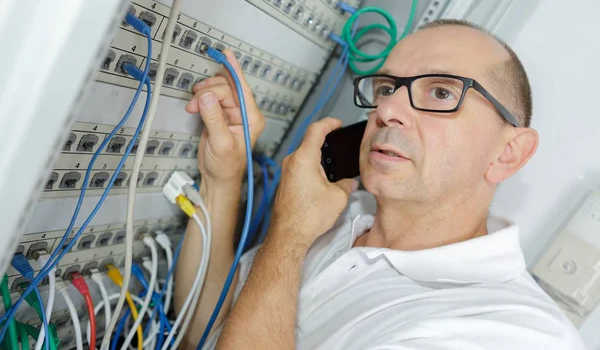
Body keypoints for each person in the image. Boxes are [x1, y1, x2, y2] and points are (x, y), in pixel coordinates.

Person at [175, 19, 585, 349]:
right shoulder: (340, 219)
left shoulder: (517, 331)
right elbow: (209, 328)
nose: (388, 109)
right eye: (387, 88)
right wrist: (222, 179)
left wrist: (290, 233)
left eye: (441, 91)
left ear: (507, 154)